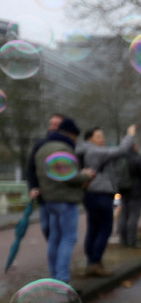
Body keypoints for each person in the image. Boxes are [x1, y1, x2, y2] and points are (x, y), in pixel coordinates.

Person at [34, 118, 95, 282]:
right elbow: (69, 177)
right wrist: (86, 175)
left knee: (54, 238)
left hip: (49, 199)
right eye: (75, 137)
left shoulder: (42, 148)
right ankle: (62, 278)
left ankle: (54, 276)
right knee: (68, 238)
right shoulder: (64, 149)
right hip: (65, 200)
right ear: (70, 134)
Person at [76, 124, 136, 276]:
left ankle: (92, 262)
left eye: (102, 136)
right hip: (100, 193)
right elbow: (121, 150)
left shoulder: (84, 150)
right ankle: (95, 263)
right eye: (99, 136)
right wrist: (130, 135)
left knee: (93, 228)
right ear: (90, 139)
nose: (102, 139)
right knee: (105, 228)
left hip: (89, 193)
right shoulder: (94, 151)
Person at [27, 112, 65, 240]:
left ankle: (58, 255)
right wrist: (33, 187)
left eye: (57, 124)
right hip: (44, 194)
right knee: (46, 227)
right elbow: (31, 167)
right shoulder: (40, 145)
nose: (53, 127)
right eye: (52, 124)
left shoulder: (68, 146)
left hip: (61, 195)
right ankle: (55, 252)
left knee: (59, 228)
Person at [117, 142, 141, 248]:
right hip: (136, 190)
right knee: (133, 216)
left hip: (122, 189)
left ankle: (123, 239)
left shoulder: (120, 158)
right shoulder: (137, 158)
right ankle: (132, 240)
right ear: (134, 146)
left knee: (123, 215)